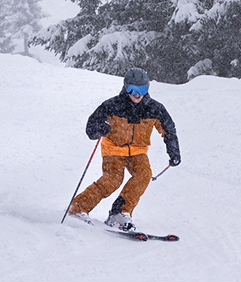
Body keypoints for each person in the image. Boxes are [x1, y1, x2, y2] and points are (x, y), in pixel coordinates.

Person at [68, 68, 179, 229]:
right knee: (113, 179)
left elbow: (169, 130)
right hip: (114, 149)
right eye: (132, 89)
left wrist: (174, 151)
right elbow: (91, 127)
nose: (137, 94)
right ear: (125, 87)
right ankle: (78, 207)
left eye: (143, 89)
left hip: (138, 151)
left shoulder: (154, 109)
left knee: (144, 174)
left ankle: (119, 213)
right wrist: (100, 129)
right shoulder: (113, 105)